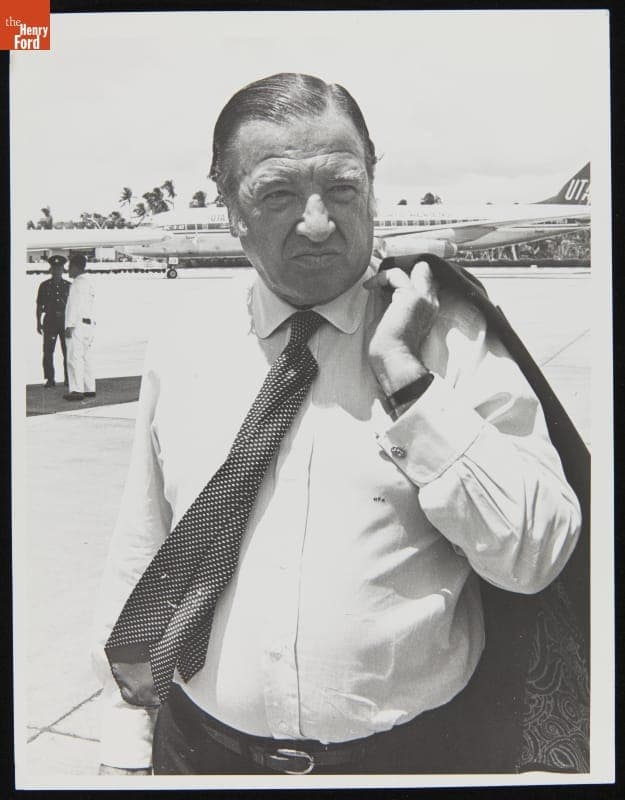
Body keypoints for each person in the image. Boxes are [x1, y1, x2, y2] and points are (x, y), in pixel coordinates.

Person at [93, 73, 586, 777]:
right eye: (277, 194)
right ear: (231, 208)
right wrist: (124, 731)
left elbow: (536, 556)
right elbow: (147, 543)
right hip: (199, 754)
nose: (318, 222)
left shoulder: (450, 336)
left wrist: (410, 385)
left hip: (415, 758)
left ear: (372, 188)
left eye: (343, 189)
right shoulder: (185, 341)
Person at [64, 253, 96, 401]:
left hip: (77, 325)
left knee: (74, 358)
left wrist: (69, 325)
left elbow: (74, 306)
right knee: (86, 357)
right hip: (89, 325)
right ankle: (90, 388)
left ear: (76, 267)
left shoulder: (77, 283)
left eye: (70, 267)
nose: (68, 270)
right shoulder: (88, 282)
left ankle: (77, 390)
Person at [35, 254, 70, 388]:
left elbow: (73, 306)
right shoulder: (44, 286)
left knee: (67, 351)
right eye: (55, 268)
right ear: (51, 269)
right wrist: (38, 322)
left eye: (59, 268)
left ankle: (68, 378)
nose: (57, 271)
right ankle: (50, 379)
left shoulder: (68, 286)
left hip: (65, 322)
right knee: (48, 352)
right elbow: (39, 305)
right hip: (50, 322)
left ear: (63, 270)